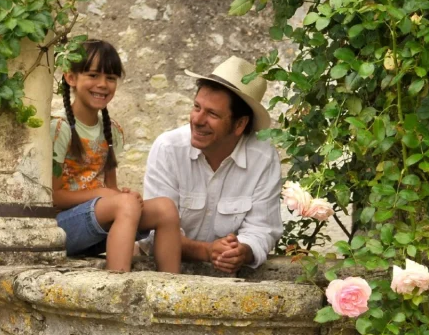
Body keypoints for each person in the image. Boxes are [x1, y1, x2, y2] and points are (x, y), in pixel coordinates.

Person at [142, 56, 283, 274]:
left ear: (240, 124)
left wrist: (241, 251)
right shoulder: (168, 148)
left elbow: (262, 229)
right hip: (167, 274)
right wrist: (208, 251)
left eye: (212, 114)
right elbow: (155, 232)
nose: (197, 120)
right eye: (197, 107)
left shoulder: (263, 158)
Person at [52, 40, 181, 273]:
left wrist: (122, 195)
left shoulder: (113, 130)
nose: (102, 84)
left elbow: (111, 188)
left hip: (97, 224)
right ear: (71, 78)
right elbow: (54, 197)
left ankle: (170, 287)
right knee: (124, 204)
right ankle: (117, 285)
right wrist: (103, 195)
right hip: (62, 229)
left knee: (165, 208)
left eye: (110, 78)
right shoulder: (59, 128)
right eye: (93, 75)